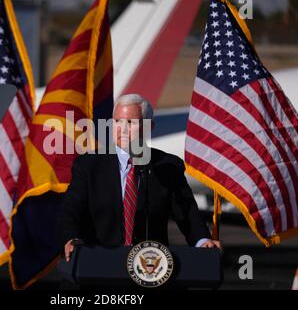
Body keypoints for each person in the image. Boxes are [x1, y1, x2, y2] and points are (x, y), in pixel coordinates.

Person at [60, 94, 221, 262]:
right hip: (100, 261)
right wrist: (71, 238)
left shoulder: (168, 166)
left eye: (130, 123)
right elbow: (70, 211)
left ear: (148, 127)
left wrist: (202, 241)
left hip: (150, 266)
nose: (121, 129)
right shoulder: (89, 165)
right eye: (117, 122)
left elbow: (188, 214)